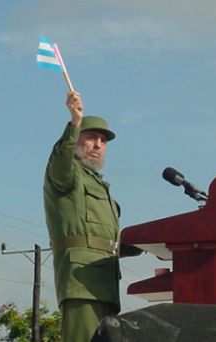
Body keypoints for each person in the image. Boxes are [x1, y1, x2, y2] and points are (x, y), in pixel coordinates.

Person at [43, 90, 140, 342]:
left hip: (106, 285)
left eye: (103, 141)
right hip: (80, 282)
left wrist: (145, 241)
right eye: (91, 137)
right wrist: (74, 123)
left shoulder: (100, 186)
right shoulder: (66, 175)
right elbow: (61, 159)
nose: (98, 144)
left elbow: (108, 240)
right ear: (77, 141)